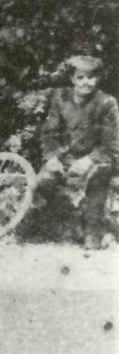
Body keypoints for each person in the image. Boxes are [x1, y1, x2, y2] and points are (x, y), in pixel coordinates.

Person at [41, 55, 118, 250]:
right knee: (43, 181)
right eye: (81, 78)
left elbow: (111, 142)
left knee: (96, 182)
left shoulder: (107, 103)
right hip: (66, 156)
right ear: (73, 79)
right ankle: (47, 228)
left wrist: (90, 160)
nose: (86, 83)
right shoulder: (61, 97)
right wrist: (52, 157)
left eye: (91, 78)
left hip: (98, 157)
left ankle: (92, 233)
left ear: (98, 79)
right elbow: (50, 132)